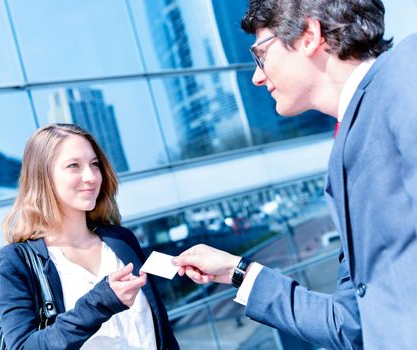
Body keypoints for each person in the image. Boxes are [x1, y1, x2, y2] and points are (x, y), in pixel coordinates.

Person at [172, 0, 417, 349]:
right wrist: (237, 273)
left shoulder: (407, 71)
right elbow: (348, 325)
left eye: (261, 54)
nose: (257, 76)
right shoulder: (343, 158)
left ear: (308, 36)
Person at [0, 123, 179, 349]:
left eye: (94, 164)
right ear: (43, 177)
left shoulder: (121, 241)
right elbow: (22, 346)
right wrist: (100, 302)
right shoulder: (17, 261)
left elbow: (162, 329)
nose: (91, 177)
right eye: (74, 165)